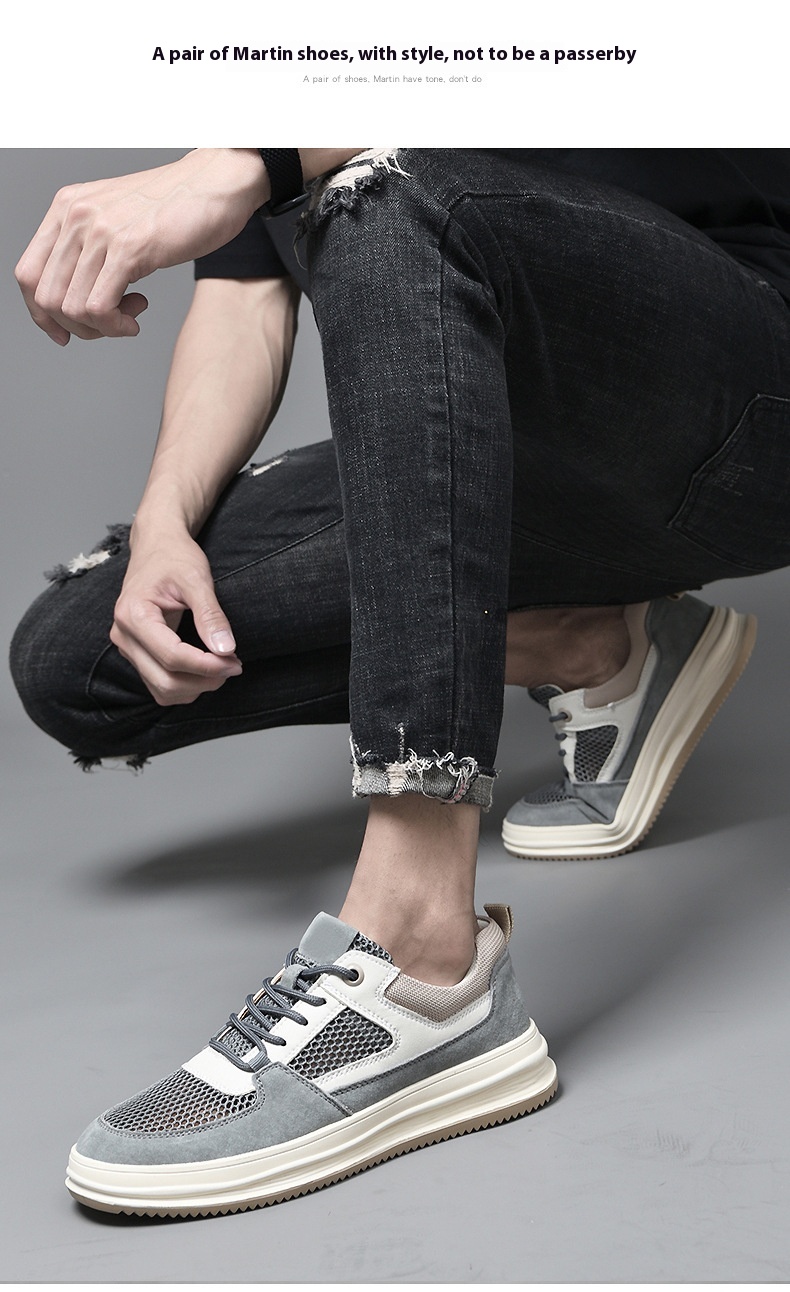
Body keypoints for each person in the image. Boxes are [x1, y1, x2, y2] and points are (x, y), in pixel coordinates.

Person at [10, 147, 790, 1218]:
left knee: (386, 196)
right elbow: (243, 299)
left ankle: (423, 958)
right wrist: (163, 524)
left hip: (740, 419)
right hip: (491, 456)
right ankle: (587, 643)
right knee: (85, 655)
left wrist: (249, 158)